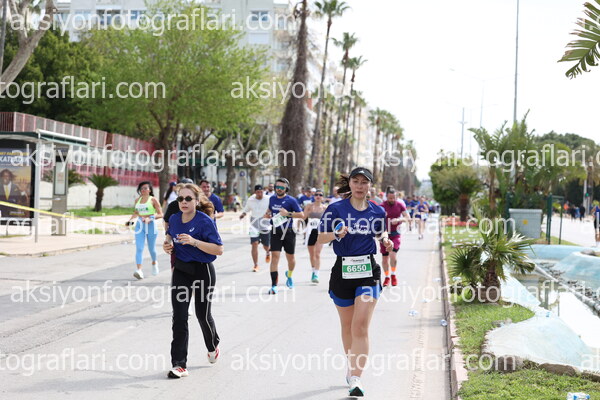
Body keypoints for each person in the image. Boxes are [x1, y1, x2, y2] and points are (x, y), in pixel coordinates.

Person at [317, 167, 392, 397]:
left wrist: (386, 240)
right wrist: (337, 234)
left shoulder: (377, 211)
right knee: (347, 326)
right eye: (356, 181)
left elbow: (381, 233)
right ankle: (352, 367)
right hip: (343, 270)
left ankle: (356, 378)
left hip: (368, 270)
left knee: (360, 326)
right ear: (349, 183)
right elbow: (320, 237)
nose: (360, 186)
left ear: (370, 185)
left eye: (364, 182)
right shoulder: (336, 209)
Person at [163, 184, 223, 379]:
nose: (184, 202)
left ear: (196, 201)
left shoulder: (204, 221)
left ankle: (212, 345)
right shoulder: (174, 218)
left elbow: (218, 249)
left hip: (202, 270)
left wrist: (194, 241)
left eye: (188, 198)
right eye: (180, 199)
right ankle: (179, 364)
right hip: (181, 270)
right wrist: (167, 244)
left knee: (202, 315)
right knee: (179, 316)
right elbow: (170, 235)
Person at [264, 177, 303, 294]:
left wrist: (288, 214)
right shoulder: (272, 199)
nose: (279, 189)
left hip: (288, 232)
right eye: (277, 187)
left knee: (291, 258)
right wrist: (267, 214)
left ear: (286, 189)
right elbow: (270, 210)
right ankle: (274, 285)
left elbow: (301, 214)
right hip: (275, 231)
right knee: (275, 257)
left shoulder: (291, 200)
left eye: (282, 187)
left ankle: (289, 275)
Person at [126, 181, 163, 279]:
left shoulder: (153, 200)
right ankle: (139, 270)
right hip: (139, 226)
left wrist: (151, 218)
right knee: (139, 248)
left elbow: (161, 214)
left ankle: (154, 262)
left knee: (151, 249)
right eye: (141, 188)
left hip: (151, 226)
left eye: (145, 188)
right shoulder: (137, 200)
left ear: (150, 190)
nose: (143, 190)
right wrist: (129, 222)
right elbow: (136, 213)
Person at [380, 188, 411, 287]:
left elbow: (408, 218)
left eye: (394, 198)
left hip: (395, 233)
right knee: (385, 259)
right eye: (390, 198)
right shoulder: (382, 206)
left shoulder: (400, 205)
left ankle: (393, 275)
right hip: (384, 234)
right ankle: (387, 277)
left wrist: (398, 219)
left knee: (393, 255)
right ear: (386, 197)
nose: (392, 200)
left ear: (396, 197)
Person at [239, 185, 271, 272]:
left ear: (263, 191)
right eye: (258, 192)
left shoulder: (268, 199)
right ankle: (256, 265)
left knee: (266, 245)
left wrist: (270, 214)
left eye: (261, 192)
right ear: (255, 192)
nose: (260, 194)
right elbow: (246, 209)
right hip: (254, 225)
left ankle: (268, 252)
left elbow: (272, 209)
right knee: (254, 243)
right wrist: (243, 214)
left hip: (265, 224)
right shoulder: (251, 200)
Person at [304, 188, 328, 284]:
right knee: (312, 254)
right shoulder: (309, 206)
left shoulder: (325, 208)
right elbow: (303, 217)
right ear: (314, 196)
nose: (318, 196)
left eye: (320, 195)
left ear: (322, 197)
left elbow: (329, 221)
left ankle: (316, 274)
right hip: (310, 232)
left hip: (320, 232)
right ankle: (313, 270)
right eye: (316, 195)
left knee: (317, 253)